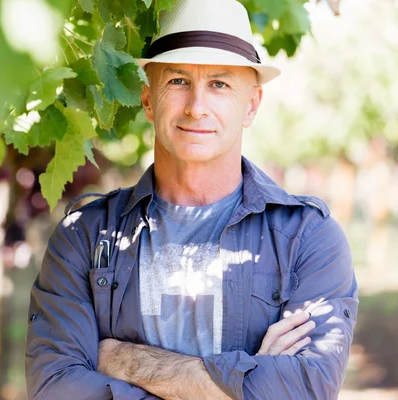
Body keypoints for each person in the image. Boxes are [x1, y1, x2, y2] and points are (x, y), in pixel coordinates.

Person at [25, 0, 359, 398]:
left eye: (219, 84)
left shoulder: (307, 239)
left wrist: (121, 358)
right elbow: (56, 387)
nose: (197, 107)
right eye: (178, 81)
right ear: (148, 100)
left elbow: (305, 389)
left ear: (250, 105)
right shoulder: (84, 235)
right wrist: (242, 384)